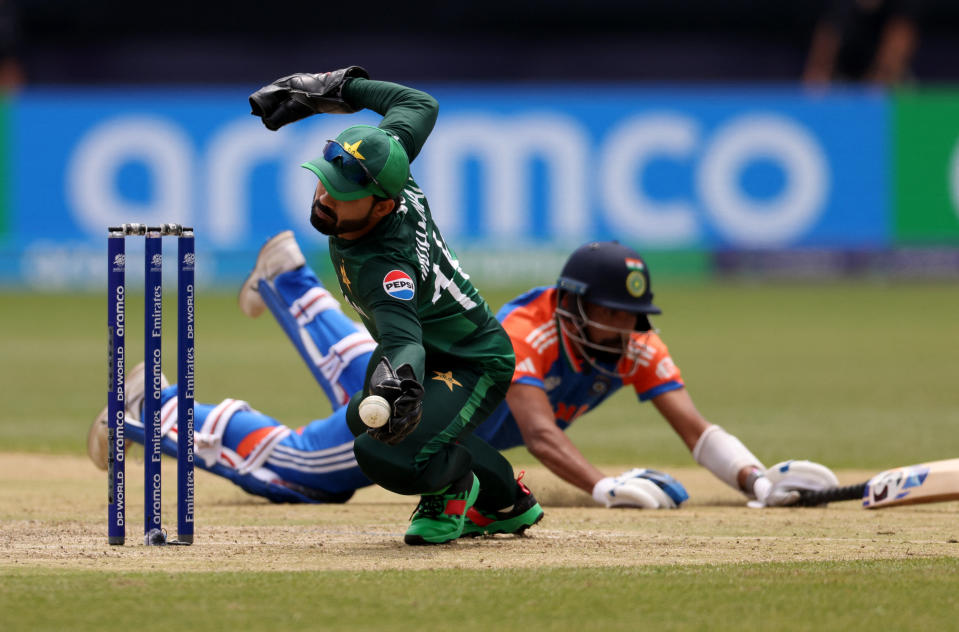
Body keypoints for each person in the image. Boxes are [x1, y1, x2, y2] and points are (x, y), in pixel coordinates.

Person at [89, 236, 838, 524]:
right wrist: (603, 485)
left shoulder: (630, 343)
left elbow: (694, 426)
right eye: (613, 314)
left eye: (633, 317)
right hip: (422, 416)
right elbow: (539, 435)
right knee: (302, 474)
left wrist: (754, 479)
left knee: (360, 363)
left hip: (414, 373)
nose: (628, 331)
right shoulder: (526, 336)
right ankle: (152, 408)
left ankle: (288, 281)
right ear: (575, 306)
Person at [803, 0, 922, 86]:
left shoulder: (900, 6)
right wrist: (819, 75)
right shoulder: (839, 6)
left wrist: (880, 77)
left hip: (889, 77)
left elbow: (899, 42)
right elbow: (826, 40)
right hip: (843, 77)